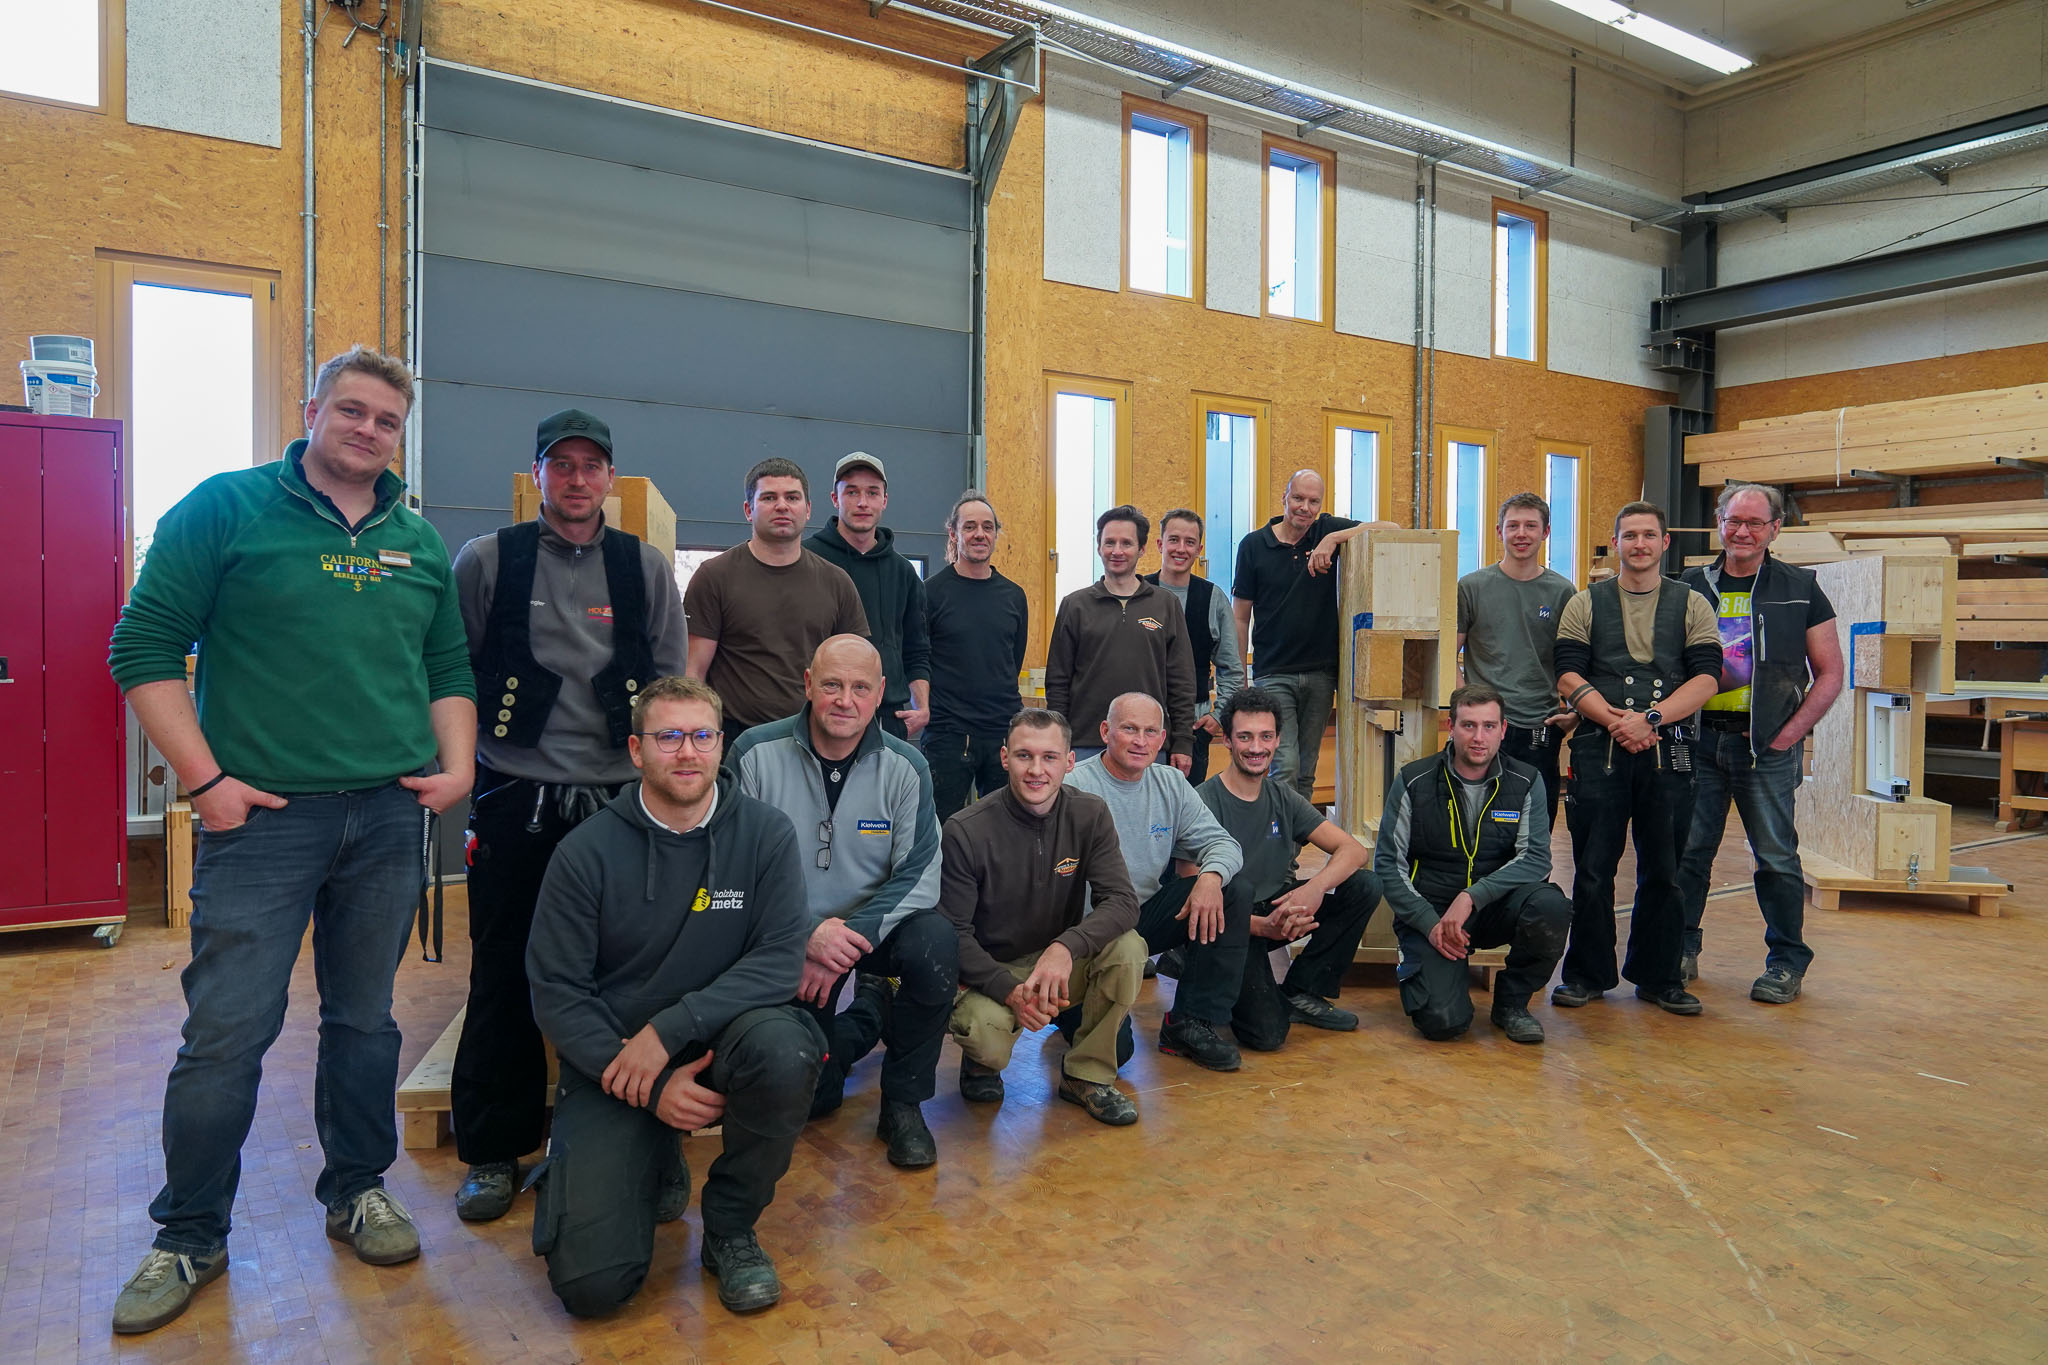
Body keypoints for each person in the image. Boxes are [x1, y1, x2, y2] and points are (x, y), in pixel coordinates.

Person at [107, 347, 476, 1334]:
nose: (367, 430)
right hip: (264, 821)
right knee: (227, 1031)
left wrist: (457, 768)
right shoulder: (225, 509)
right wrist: (207, 783)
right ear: (312, 410)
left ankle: (358, 1188)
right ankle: (189, 1232)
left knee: (365, 1020)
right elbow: (142, 647)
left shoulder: (416, 540)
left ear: (400, 435)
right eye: (350, 410)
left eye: (386, 420)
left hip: (387, 817)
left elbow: (446, 665)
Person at [446, 408, 691, 1223]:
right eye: (562, 464)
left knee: (637, 973)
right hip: (515, 795)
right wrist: (453, 762)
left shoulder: (644, 567)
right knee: (504, 968)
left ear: (610, 478)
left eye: (592, 466)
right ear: (539, 473)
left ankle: (643, 1138)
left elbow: (670, 687)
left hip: (621, 801)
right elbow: (452, 671)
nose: (578, 479)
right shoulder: (488, 559)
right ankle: (493, 1149)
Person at [525, 676, 823, 1317]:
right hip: (619, 1060)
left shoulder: (766, 834)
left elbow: (778, 960)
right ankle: (651, 1150)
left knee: (787, 1051)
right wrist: (651, 1084)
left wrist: (669, 1031)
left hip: (724, 1039)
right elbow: (557, 991)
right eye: (668, 737)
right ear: (636, 750)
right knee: (592, 1289)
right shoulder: (583, 853)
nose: (687, 752)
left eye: (701, 736)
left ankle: (730, 1229)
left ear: (721, 745)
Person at [731, 636, 953, 1170]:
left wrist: (843, 943)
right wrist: (806, 934)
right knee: (816, 1096)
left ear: (880, 693)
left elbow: (921, 873)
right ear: (808, 684)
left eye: (859, 688)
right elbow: (734, 869)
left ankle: (903, 1104)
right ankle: (871, 1011)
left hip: (868, 935)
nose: (845, 700)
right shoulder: (753, 754)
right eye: (832, 685)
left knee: (935, 943)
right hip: (786, 938)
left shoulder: (907, 766)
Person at [1552, 502, 1723, 1017]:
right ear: (1616, 543)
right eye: (1630, 536)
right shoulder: (1584, 603)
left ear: (1664, 542)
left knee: (1666, 870)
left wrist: (1650, 719)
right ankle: (1586, 975)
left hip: (1668, 751)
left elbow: (1707, 678)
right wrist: (1615, 722)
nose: (1640, 544)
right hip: (1598, 748)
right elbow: (1567, 675)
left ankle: (1660, 976)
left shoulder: (1693, 604)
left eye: (1649, 535)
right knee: (1592, 868)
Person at [940, 708, 1149, 1126]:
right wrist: (1010, 992)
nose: (1037, 770)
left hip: (1058, 965)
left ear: (1069, 762)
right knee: (985, 1037)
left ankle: (1086, 1076)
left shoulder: (1090, 814)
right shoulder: (965, 830)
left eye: (1049, 757)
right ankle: (980, 1064)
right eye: (1024, 756)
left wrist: (1065, 947)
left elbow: (1123, 901)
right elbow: (954, 934)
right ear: (1005, 758)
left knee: (1129, 948)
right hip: (991, 970)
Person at [1678, 483, 1843, 1004]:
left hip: (1765, 749)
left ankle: (1786, 962)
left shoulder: (1801, 587)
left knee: (1775, 858)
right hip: (1697, 743)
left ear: (1774, 528)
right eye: (1733, 521)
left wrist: (1789, 734)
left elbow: (1831, 673)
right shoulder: (1688, 585)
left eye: (1754, 522)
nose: (1742, 532)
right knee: (1688, 854)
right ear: (1719, 523)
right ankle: (1679, 949)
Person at [1372, 685, 1571, 1044]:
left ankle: (1511, 1005)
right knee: (1442, 1023)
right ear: (1451, 726)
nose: (1479, 737)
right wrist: (1428, 923)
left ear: (1503, 729)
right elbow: (1388, 863)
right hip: (1433, 913)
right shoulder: (1413, 780)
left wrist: (1471, 897)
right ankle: (1439, 978)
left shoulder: (1527, 780)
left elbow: (1536, 859)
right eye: (1469, 725)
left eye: (1489, 726)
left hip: (1495, 908)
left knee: (1551, 906)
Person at [1067, 693, 1250, 1073]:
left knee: (1232, 891)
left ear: (1163, 738)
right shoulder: (1074, 785)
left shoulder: (1170, 783)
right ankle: (1067, 1009)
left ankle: (1190, 1021)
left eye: (1150, 732)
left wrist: (1210, 877)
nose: (1140, 741)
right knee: (1117, 1053)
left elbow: (1224, 844)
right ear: (1105, 731)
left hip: (1140, 917)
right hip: (1084, 932)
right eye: (1129, 729)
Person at [1197, 686, 1381, 1050]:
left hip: (1277, 909)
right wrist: (1259, 927)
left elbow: (1353, 850)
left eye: (1266, 736)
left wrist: (1313, 890)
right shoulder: (1203, 801)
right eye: (1245, 737)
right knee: (1266, 1035)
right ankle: (1219, 985)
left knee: (1364, 886)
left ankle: (1302, 991)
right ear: (1227, 741)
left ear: (1278, 740)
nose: (1256, 747)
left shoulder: (1283, 798)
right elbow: (1191, 895)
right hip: (1227, 922)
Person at [685, 457, 868, 744]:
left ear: (808, 509)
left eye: (792, 498)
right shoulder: (714, 576)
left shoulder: (837, 582)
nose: (782, 506)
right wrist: (697, 736)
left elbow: (856, 671)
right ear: (749, 510)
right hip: (735, 740)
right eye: (769, 497)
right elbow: (693, 671)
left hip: (815, 739)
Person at [1232, 470, 1371, 800]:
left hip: (1321, 674)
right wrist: (1240, 677)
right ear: (1284, 498)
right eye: (1298, 498)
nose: (1305, 508)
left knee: (1306, 770)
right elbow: (1240, 617)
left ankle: (1295, 834)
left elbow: (1389, 529)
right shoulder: (1253, 545)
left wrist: (1333, 540)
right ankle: (1276, 832)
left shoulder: (1326, 530)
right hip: (1272, 672)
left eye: (1313, 501)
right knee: (1285, 766)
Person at [1046, 505, 1198, 771]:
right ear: (1099, 548)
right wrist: (1059, 739)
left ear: (1142, 549)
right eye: (1110, 543)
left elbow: (1182, 682)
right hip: (1084, 745)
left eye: (1126, 543)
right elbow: (1058, 681)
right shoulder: (1075, 605)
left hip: (1148, 746)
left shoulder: (1165, 605)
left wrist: (1183, 742)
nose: (1117, 551)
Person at [1457, 492, 1577, 822]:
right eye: (1513, 526)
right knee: (1479, 821)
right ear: (1500, 532)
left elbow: (1576, 662)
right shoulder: (1471, 587)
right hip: (1485, 727)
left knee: (1536, 822)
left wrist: (1575, 713)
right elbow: (1447, 655)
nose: (1521, 534)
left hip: (1540, 726)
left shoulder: (1563, 592)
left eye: (1530, 526)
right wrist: (1466, 711)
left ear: (1545, 532)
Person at [806, 452, 932, 741]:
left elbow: (916, 648)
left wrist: (922, 707)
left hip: (887, 718)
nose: (862, 502)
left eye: (872, 493)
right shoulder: (807, 560)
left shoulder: (903, 572)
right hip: (822, 715)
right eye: (852, 492)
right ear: (835, 499)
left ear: (884, 500)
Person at [923, 490, 1028, 819]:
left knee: (1005, 829)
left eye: (987, 527)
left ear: (996, 534)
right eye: (969, 526)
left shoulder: (1014, 596)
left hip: (1002, 731)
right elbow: (920, 660)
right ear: (954, 533)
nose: (979, 534)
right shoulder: (930, 593)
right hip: (947, 734)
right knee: (939, 828)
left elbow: (1012, 661)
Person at [1145, 507, 1245, 785]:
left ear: (1199, 549)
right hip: (1141, 727)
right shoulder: (1138, 593)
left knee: (1187, 806)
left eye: (1189, 542)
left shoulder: (1213, 599)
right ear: (1160, 544)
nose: (1181, 548)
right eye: (1173, 540)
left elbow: (1232, 668)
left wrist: (1219, 716)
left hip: (1193, 729)